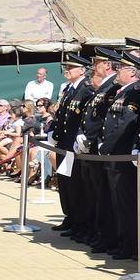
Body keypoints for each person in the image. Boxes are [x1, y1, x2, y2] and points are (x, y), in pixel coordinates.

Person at [99, 53, 140, 261]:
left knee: (126, 202)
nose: (116, 69)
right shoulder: (123, 91)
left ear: (131, 72)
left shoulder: (136, 91)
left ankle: (130, 245)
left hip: (121, 153)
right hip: (114, 153)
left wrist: (107, 146)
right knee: (118, 201)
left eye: (121, 67)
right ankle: (123, 241)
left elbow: (126, 122)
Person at [75, 48, 121, 251]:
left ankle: (106, 234)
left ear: (107, 65)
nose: (94, 67)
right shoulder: (105, 86)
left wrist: (96, 139)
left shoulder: (112, 86)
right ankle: (98, 232)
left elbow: (106, 118)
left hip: (102, 148)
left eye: (97, 63)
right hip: (92, 147)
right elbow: (90, 113)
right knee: (95, 193)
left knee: (104, 196)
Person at [53, 58, 92, 238]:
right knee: (65, 183)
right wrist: (54, 133)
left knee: (75, 185)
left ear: (82, 70)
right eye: (66, 67)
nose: (67, 70)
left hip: (74, 145)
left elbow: (83, 117)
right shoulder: (68, 89)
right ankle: (69, 216)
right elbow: (62, 114)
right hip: (64, 143)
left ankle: (79, 221)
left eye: (71, 67)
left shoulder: (85, 87)